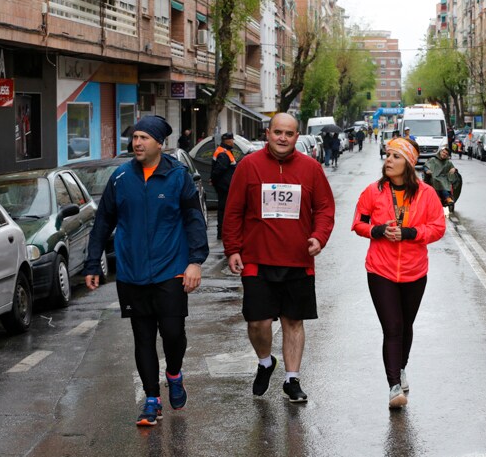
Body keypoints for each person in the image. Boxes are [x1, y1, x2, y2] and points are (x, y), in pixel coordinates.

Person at [82, 115, 209, 426]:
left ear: (159, 143)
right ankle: (152, 400)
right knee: (142, 337)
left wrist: (195, 261)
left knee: (173, 334)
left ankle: (174, 374)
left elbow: (195, 221)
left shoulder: (178, 176)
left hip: (171, 271)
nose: (136, 143)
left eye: (143, 138)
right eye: (134, 137)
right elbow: (103, 223)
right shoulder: (120, 178)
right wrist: (92, 262)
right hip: (131, 273)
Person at [222, 113, 335, 403]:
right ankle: (265, 362)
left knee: (293, 322)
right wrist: (233, 248)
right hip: (257, 260)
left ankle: (291, 379)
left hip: (298, 260)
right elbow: (233, 211)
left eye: (289, 133)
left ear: (297, 137)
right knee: (257, 323)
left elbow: (324, 208)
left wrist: (319, 237)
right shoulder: (248, 166)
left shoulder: (311, 168)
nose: (283, 138)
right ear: (267, 134)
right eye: (278, 132)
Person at [351, 137, 446, 409]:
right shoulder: (374, 191)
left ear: (409, 164)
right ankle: (394, 386)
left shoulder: (426, 194)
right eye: (388, 155)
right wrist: (377, 231)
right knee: (392, 327)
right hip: (380, 269)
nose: (388, 160)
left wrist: (411, 233)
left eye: (395, 156)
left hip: (415, 272)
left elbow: (438, 228)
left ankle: (401, 367)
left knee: (406, 326)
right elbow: (358, 223)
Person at [211, 132, 237, 240]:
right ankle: (221, 232)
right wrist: (214, 180)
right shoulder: (224, 153)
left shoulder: (224, 151)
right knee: (224, 209)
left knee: (223, 209)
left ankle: (222, 232)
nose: (233, 142)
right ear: (229, 141)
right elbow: (219, 170)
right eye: (232, 140)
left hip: (224, 185)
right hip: (224, 186)